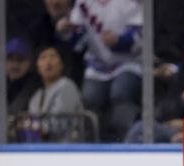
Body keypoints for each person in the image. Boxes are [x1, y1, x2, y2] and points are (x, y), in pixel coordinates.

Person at [57, 0, 143, 141]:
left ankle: (126, 141)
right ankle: (94, 144)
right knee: (90, 98)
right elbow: (78, 36)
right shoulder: (83, 3)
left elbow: (140, 33)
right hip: (98, 65)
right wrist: (67, 30)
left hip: (128, 62)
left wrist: (120, 41)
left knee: (121, 92)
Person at [25, 45, 84, 142]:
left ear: (61, 65)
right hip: (42, 150)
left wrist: (37, 128)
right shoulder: (36, 96)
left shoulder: (66, 85)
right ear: (38, 68)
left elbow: (60, 123)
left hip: (67, 148)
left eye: (53, 57)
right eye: (43, 58)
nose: (48, 62)